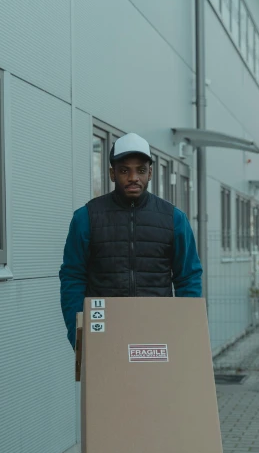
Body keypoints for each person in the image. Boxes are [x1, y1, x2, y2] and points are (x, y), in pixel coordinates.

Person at [59, 132, 203, 348]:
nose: (133, 177)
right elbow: (72, 277)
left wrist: (185, 330)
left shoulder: (174, 219)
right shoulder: (86, 218)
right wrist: (78, 333)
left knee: (156, 384)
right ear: (112, 173)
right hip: (105, 334)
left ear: (150, 173)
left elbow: (188, 277)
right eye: (125, 170)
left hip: (158, 332)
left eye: (141, 170)